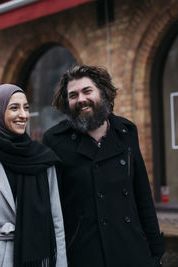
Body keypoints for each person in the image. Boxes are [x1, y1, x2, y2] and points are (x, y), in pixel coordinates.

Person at [42, 65, 165, 267]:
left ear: (102, 92)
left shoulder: (126, 132)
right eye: (73, 95)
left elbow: (142, 195)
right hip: (83, 254)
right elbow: (50, 208)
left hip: (132, 251)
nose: (80, 99)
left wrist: (156, 251)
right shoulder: (55, 141)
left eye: (87, 91)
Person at [0, 84, 67, 267]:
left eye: (26, 108)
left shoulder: (43, 159)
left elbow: (57, 223)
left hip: (38, 259)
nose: (23, 115)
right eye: (14, 108)